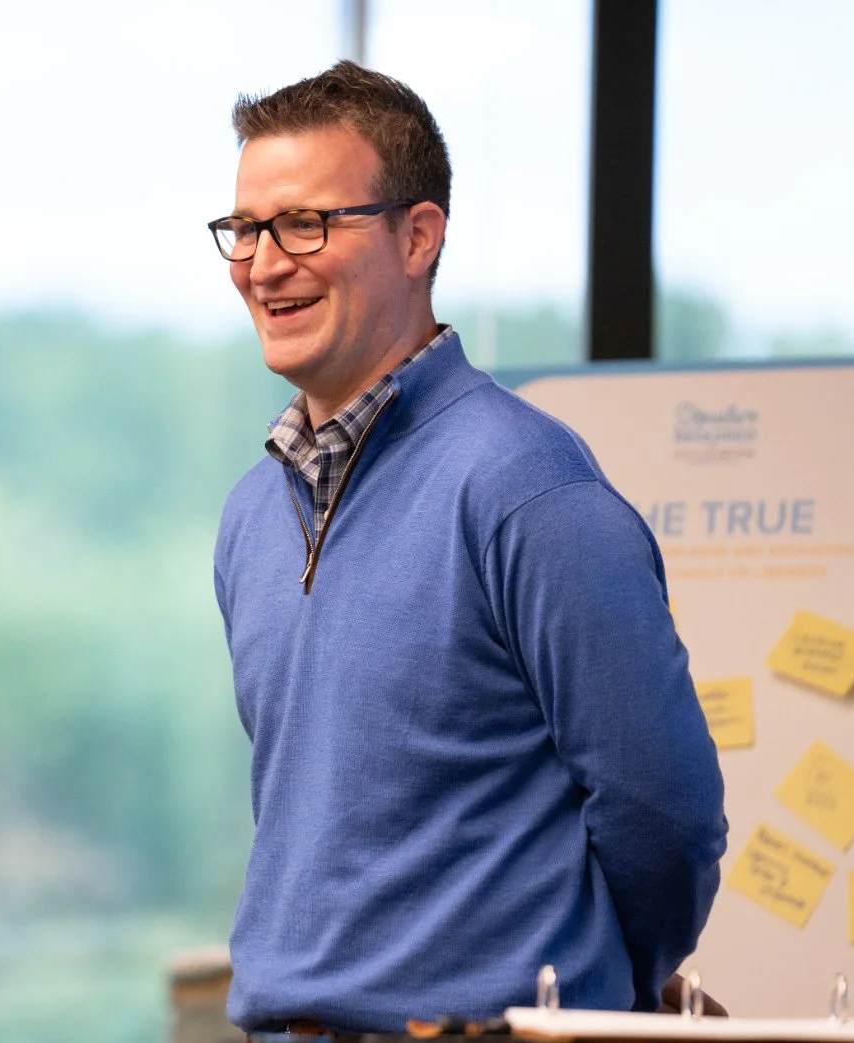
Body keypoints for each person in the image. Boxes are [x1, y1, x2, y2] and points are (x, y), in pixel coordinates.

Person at [208, 61, 728, 1037]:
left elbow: (664, 814)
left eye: (304, 224)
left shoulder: (526, 487)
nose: (263, 264)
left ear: (417, 236)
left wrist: (597, 988)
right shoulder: (250, 515)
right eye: (244, 229)